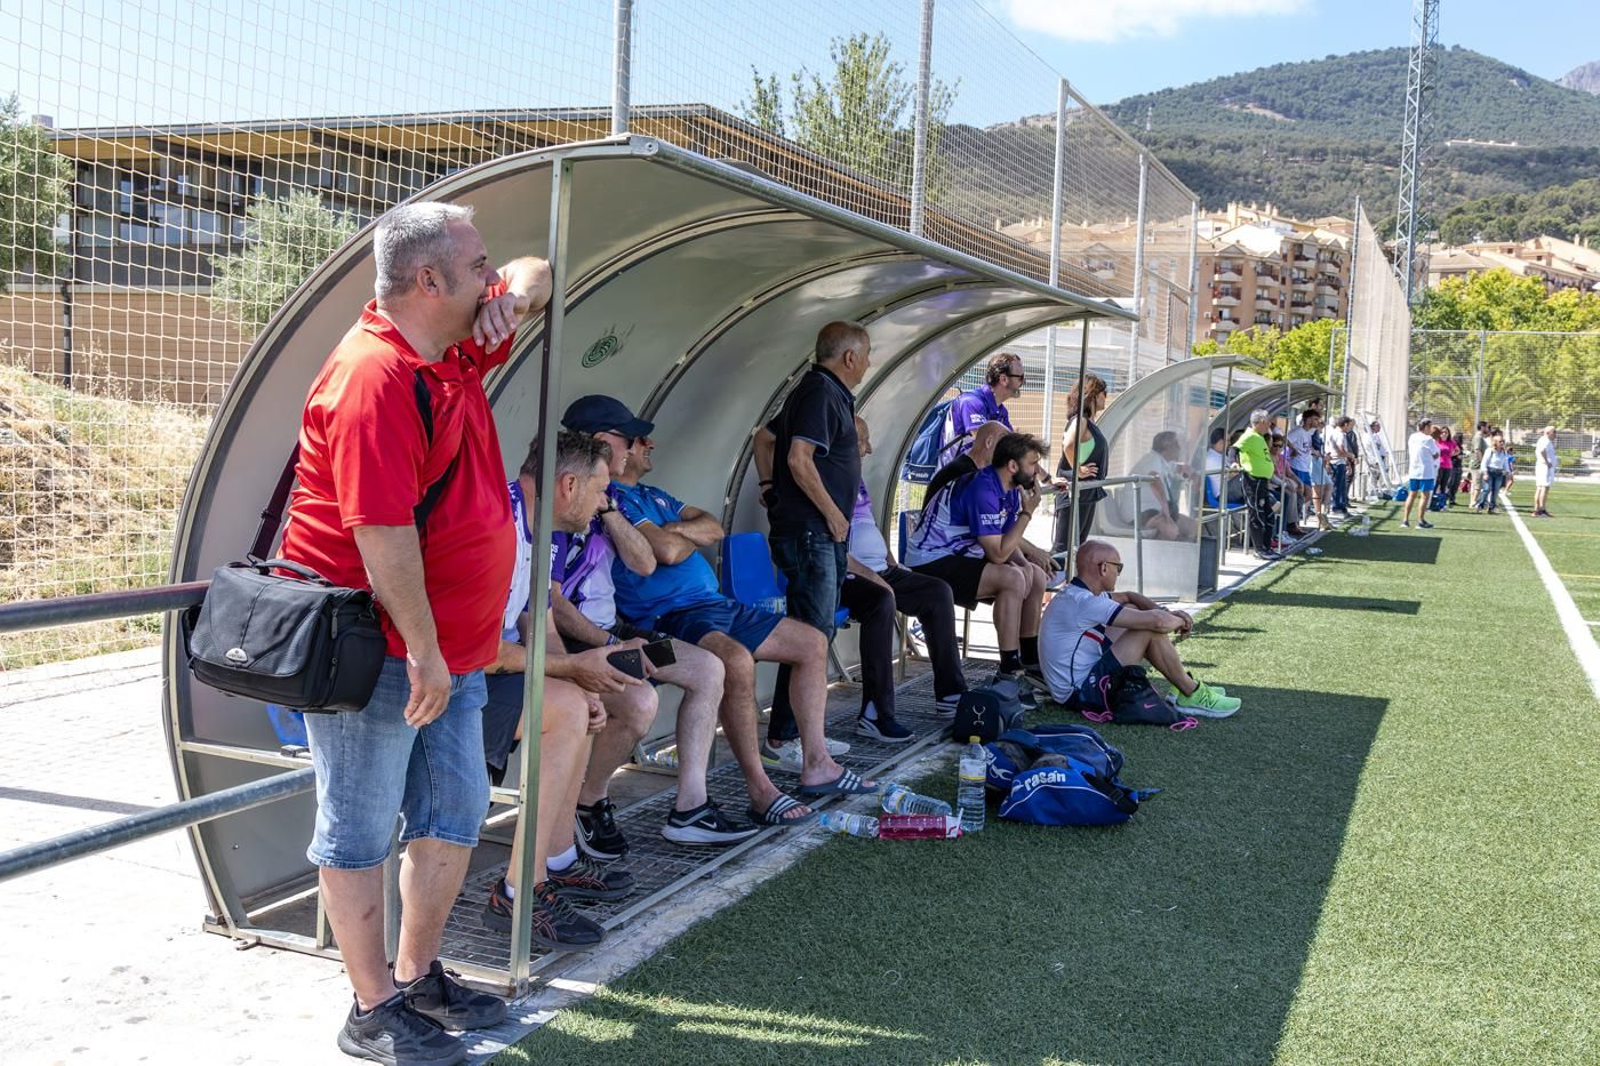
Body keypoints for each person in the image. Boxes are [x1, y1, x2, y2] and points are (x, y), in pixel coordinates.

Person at [277, 202, 549, 1063]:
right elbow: (381, 533)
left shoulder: (452, 345)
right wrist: (427, 653)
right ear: (429, 281)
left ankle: (417, 975)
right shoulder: (375, 376)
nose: (492, 278)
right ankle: (370, 1008)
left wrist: (511, 293)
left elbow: (541, 273)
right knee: (357, 827)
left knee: (455, 810)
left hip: (451, 654)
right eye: (478, 269)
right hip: (388, 654)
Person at [607, 409, 874, 818]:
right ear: (613, 446)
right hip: (671, 614)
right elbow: (666, 552)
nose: (650, 445)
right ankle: (759, 788)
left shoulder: (654, 496)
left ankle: (817, 765)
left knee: (812, 643)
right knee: (735, 659)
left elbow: (713, 527)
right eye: (640, 440)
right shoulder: (611, 500)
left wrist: (673, 532)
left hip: (716, 604)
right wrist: (676, 538)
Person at [556, 396, 761, 853]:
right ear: (595, 443)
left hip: (617, 633)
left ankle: (690, 809)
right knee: (642, 700)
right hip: (577, 638)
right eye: (625, 437)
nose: (633, 446)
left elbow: (646, 561)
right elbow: (549, 606)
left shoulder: (608, 500)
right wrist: (608, 642)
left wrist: (609, 510)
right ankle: (589, 803)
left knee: (708, 668)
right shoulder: (560, 501)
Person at [479, 431, 636, 951]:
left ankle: (557, 861)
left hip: (491, 671)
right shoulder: (494, 524)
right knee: (568, 707)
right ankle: (519, 891)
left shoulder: (541, 526)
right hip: (448, 682)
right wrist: (569, 671)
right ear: (569, 484)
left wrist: (569, 674)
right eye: (600, 491)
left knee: (580, 704)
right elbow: (475, 652)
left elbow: (538, 623)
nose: (602, 505)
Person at [763, 417, 970, 735]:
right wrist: (875, 577)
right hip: (842, 575)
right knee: (880, 600)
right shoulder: (821, 480)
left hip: (879, 570)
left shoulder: (852, 477)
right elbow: (828, 547)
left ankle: (951, 694)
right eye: (862, 440)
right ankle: (875, 713)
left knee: (937, 591)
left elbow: (868, 526)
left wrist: (890, 564)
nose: (869, 448)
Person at [756, 321, 871, 761]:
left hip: (815, 532)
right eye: (866, 354)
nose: (867, 364)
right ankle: (786, 739)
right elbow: (797, 457)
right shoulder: (821, 392)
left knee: (810, 634)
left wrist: (769, 488)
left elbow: (764, 438)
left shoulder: (821, 391)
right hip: (813, 534)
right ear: (848, 357)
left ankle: (791, 736)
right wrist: (833, 514)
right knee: (810, 636)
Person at [905, 431, 1050, 683]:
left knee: (1035, 576)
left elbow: (1005, 534)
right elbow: (997, 553)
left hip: (959, 555)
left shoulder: (1010, 486)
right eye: (1033, 463)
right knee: (1012, 579)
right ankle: (1009, 669)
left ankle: (1030, 661)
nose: (1037, 471)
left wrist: (1026, 564)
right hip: (929, 559)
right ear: (1013, 465)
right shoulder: (982, 489)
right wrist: (1027, 514)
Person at [1038, 539, 1240, 717]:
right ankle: (1191, 692)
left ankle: (1182, 686)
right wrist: (1181, 620)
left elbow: (1129, 597)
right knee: (1147, 628)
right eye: (1119, 567)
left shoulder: (1078, 594)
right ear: (1104, 568)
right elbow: (1158, 623)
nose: (1118, 573)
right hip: (1080, 694)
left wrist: (1164, 611)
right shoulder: (1086, 603)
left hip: (1073, 686)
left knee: (1134, 611)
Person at [1053, 373, 1110, 553]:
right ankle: (1050, 581)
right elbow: (1068, 444)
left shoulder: (1091, 423)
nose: (1105, 397)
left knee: (1078, 548)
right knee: (1063, 549)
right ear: (1092, 394)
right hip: (1073, 493)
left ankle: (1069, 581)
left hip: (1086, 493)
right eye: (1104, 392)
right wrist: (1077, 471)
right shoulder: (1081, 420)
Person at [942, 351, 1021, 462]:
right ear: (1004, 379)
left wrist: (1043, 476)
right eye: (1020, 378)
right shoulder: (971, 402)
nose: (1023, 382)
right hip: (952, 476)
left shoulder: (1001, 412)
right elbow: (985, 444)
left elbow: (1013, 446)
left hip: (972, 473)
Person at [1127, 431, 1198, 541]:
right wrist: (1166, 512)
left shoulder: (1162, 461)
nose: (1179, 448)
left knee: (1193, 526)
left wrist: (1192, 474)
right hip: (1140, 512)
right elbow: (1154, 481)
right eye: (1177, 444)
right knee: (1172, 531)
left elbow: (1176, 468)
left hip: (1154, 510)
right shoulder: (1152, 460)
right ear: (1167, 447)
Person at [1236, 410, 1278, 560]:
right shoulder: (1248, 436)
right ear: (1260, 423)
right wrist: (1236, 463)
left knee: (1269, 515)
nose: (1269, 425)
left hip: (1262, 482)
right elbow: (1235, 449)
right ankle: (1259, 550)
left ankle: (1267, 548)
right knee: (1257, 515)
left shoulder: (1259, 437)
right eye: (1267, 422)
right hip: (1252, 481)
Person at [1285, 410, 1323, 530]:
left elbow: (1307, 445)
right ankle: (1293, 522)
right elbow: (1285, 439)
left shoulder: (1309, 432)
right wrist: (1294, 450)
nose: (1318, 422)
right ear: (1308, 420)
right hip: (1296, 467)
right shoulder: (1297, 431)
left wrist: (1314, 451)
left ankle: (1295, 519)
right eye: (1315, 419)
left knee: (1307, 494)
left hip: (1305, 467)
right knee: (1302, 493)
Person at [1401, 418, 1439, 530]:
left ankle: (1405, 520)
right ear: (1426, 427)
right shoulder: (1428, 439)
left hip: (1413, 470)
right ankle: (1420, 521)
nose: (1431, 429)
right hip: (1425, 471)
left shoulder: (1413, 437)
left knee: (1411, 495)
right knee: (1425, 496)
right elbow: (1435, 454)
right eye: (1430, 426)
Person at [1327, 415, 1355, 515]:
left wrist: (1347, 463)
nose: (1349, 428)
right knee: (1338, 486)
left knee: (1339, 485)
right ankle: (1337, 507)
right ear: (1345, 424)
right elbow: (1340, 450)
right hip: (1337, 463)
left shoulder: (1334, 433)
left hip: (1338, 462)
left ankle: (1339, 505)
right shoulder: (1340, 434)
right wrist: (1350, 455)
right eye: (1349, 426)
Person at [1477, 434, 1510, 513]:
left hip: (1499, 473)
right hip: (1490, 471)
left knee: (1495, 491)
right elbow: (1484, 462)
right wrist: (1485, 473)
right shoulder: (1490, 451)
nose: (1502, 443)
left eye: (1503, 441)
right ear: (1495, 442)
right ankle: (1480, 505)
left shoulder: (1504, 452)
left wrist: (1507, 471)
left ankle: (1492, 507)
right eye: (1500, 441)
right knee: (1487, 489)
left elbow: (1505, 462)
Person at [1533, 425, 1558, 517]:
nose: (1555, 434)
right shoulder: (1545, 440)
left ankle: (1538, 509)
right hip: (1544, 467)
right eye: (1554, 432)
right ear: (1548, 433)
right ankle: (1541, 509)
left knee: (1540, 487)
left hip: (1542, 466)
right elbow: (1542, 451)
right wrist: (1547, 462)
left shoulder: (1545, 441)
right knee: (1544, 487)